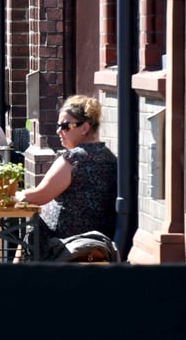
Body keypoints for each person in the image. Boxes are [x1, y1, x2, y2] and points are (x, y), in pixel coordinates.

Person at [15, 95, 117, 256]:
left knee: (32, 229)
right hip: (101, 235)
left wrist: (15, 195)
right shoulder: (109, 157)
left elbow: (39, 196)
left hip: (64, 240)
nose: (58, 131)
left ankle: (21, 279)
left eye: (65, 126)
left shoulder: (73, 158)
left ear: (84, 127)